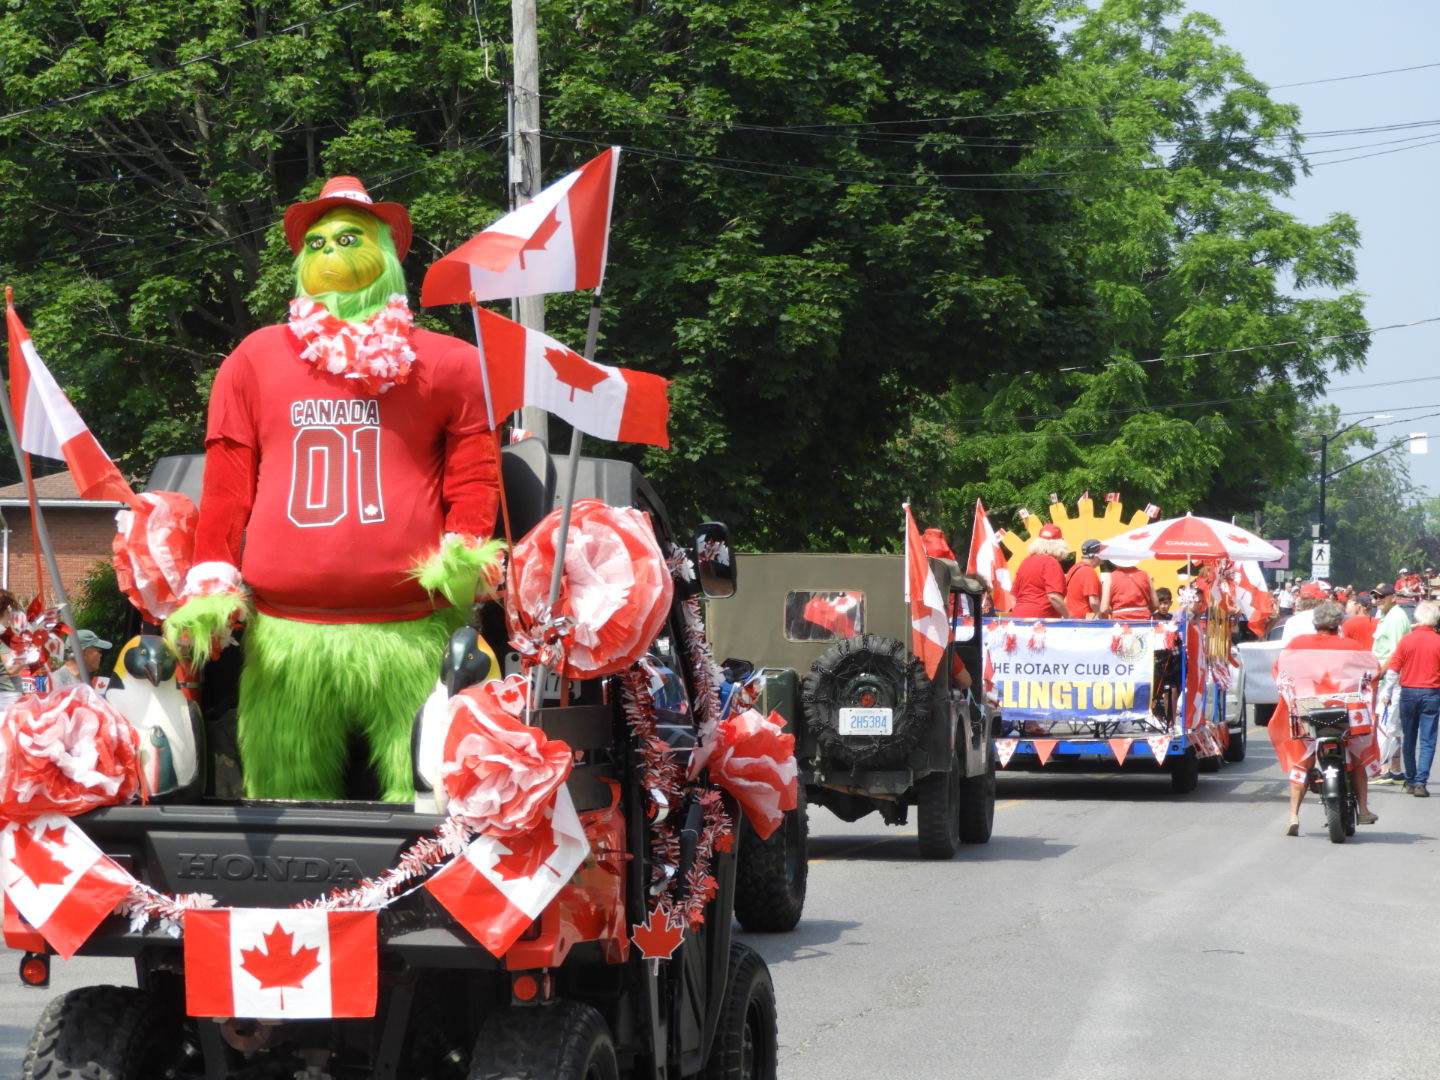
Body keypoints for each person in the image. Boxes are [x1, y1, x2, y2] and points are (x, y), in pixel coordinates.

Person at [164, 176, 503, 801]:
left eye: (348, 238)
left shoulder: (448, 363)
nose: (328, 251)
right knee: (286, 812)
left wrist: (467, 548)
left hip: (414, 634)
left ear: (386, 253)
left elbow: (475, 474)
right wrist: (211, 576)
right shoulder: (254, 359)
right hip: (287, 640)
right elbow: (228, 486)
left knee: (436, 810)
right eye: (314, 242)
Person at [1272, 600, 1377, 834]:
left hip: (1308, 714)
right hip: (1344, 714)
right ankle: (1363, 809)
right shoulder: (1351, 646)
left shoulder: (1297, 644)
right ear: (1339, 624)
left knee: (1303, 761)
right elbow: (1373, 670)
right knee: (1357, 758)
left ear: (1315, 623)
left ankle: (1292, 816)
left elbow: (1279, 671)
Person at [1376, 600, 1440, 797]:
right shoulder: (1438, 641)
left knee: (1409, 738)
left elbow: (1394, 670)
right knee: (1428, 740)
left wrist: (1386, 693)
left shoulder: (1407, 640)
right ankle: (1421, 781)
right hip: (1431, 693)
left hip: (1408, 693)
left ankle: (1411, 780)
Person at [1370, 582, 1412, 783]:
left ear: (1393, 597)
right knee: (1392, 726)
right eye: (1376, 597)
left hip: (1391, 680)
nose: (1378, 600)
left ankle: (1385, 769)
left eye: (1382, 596)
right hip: (1389, 679)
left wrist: (1379, 673)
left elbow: (1396, 653)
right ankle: (1395, 770)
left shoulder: (1395, 618)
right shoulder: (1388, 616)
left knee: (1386, 725)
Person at [1010, 523, 1068, 618]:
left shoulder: (1026, 561)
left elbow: (1013, 596)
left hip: (1018, 617)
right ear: (1060, 545)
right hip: (1041, 619)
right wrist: (1068, 617)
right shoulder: (1051, 562)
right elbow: (1053, 596)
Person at [1064, 538, 1104, 619]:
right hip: (1085, 621)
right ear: (1096, 556)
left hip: (1072, 618)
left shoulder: (1073, 568)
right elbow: (1093, 602)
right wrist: (1102, 616)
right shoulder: (1088, 572)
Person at [0, 589, 22, 709]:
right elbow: (11, 668)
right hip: (7, 695)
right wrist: (28, 656)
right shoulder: (3, 634)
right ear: (7, 608)